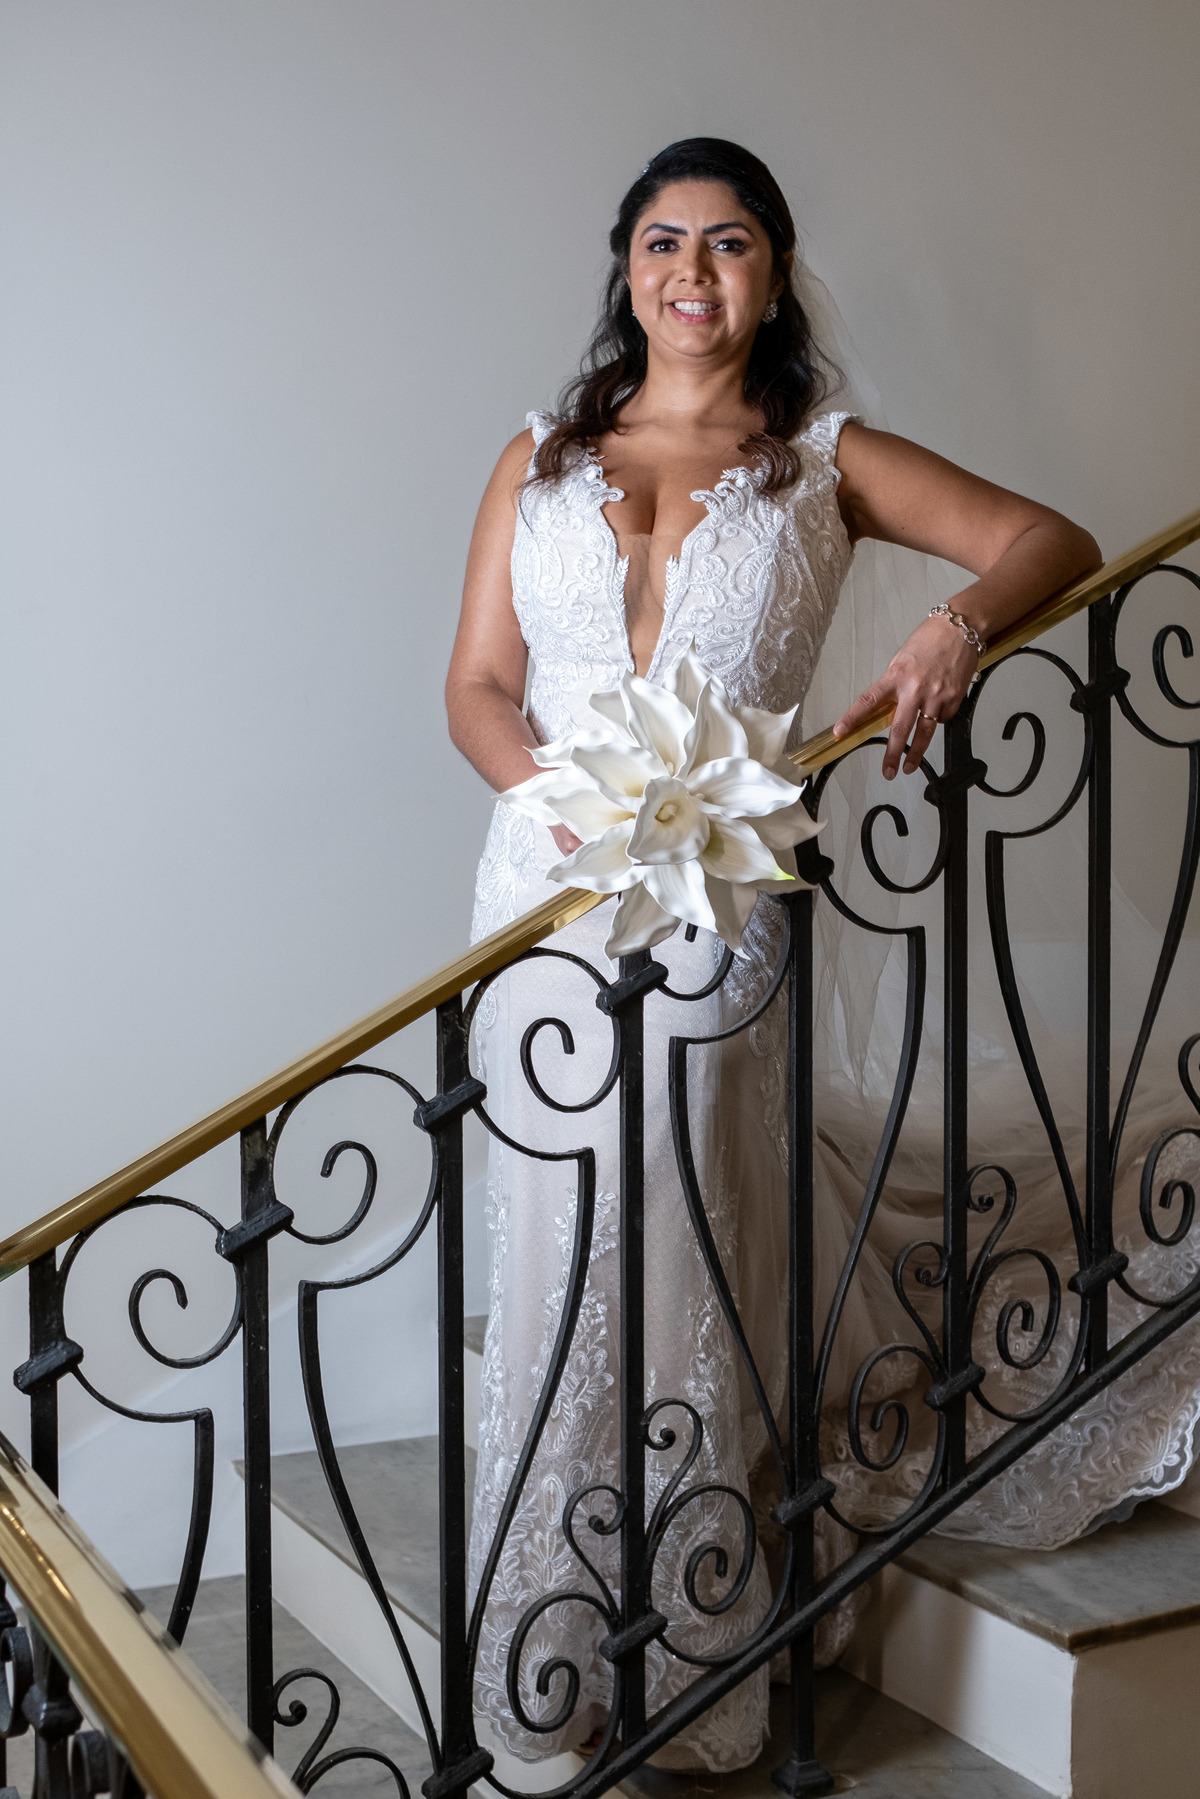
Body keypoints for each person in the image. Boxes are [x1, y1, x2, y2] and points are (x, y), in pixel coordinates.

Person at [444, 138, 1101, 1773]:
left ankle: (690, 1650)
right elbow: (476, 688)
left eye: (728, 243)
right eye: (664, 241)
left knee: (682, 1240)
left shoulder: (823, 462)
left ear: (775, 272)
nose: (693, 271)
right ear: (626, 269)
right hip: (546, 898)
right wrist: (559, 809)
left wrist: (955, 626)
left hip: (723, 901)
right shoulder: (537, 458)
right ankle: (548, 1646)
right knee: (550, 1253)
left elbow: (1050, 537)